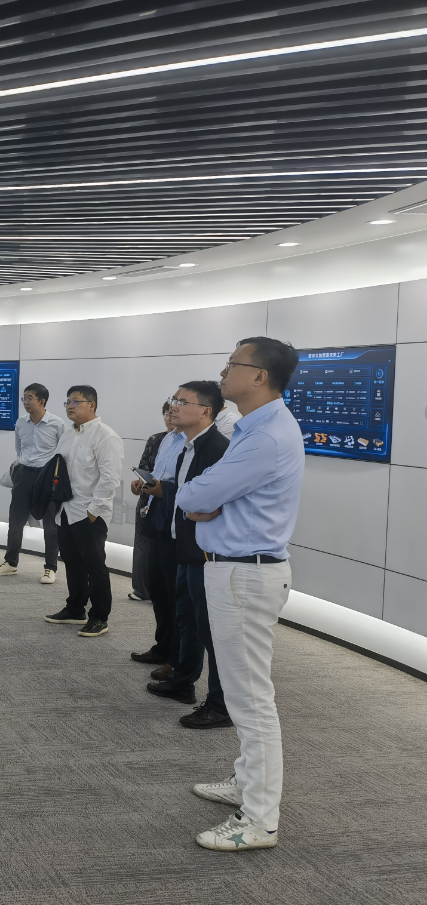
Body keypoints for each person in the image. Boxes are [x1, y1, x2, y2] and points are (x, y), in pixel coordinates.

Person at [176, 337, 304, 852]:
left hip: (245, 576)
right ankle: (247, 782)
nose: (224, 372)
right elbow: (203, 498)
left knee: (250, 700)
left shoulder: (265, 436)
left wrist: (206, 500)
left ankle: (259, 820)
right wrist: (207, 501)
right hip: (237, 571)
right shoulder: (255, 427)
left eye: (233, 364)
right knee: (243, 692)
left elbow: (194, 494)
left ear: (259, 376)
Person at [141, 381, 231, 731]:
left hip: (206, 551)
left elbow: (214, 501)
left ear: (206, 411)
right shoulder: (184, 447)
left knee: (210, 629)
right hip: (184, 544)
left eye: (182, 401)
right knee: (187, 619)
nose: (173, 407)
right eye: (173, 400)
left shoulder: (218, 449)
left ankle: (220, 705)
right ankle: (183, 681)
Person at [43, 385, 124, 637]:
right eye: (68, 402)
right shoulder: (68, 434)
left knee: (95, 566)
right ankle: (75, 608)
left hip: (90, 513)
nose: (70, 406)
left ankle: (99, 616)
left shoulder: (106, 436)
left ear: (92, 405)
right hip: (66, 510)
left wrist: (94, 510)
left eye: (76, 402)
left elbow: (110, 479)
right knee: (72, 562)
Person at [0, 383, 66, 582]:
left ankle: (50, 568)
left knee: (50, 524)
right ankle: (10, 563)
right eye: (24, 397)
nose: (25, 401)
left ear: (42, 401)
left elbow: (63, 453)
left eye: (30, 398)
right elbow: (19, 448)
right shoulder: (21, 423)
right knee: (16, 520)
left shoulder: (56, 423)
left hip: (47, 477)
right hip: (24, 474)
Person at [129, 404, 185, 670]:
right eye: (168, 410)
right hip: (154, 516)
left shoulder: (198, 443)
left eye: (178, 407)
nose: (171, 415)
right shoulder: (164, 440)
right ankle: (162, 647)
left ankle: (177, 660)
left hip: (177, 523)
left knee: (176, 596)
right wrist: (144, 484)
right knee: (159, 590)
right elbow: (153, 472)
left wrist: (161, 489)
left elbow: (190, 486)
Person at [129, 402, 175, 602]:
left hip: (168, 501)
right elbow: (144, 468)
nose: (169, 417)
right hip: (147, 499)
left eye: (173, 412)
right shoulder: (156, 439)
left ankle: (159, 591)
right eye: (166, 413)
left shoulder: (188, 442)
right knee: (141, 545)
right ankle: (141, 589)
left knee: (162, 549)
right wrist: (139, 483)